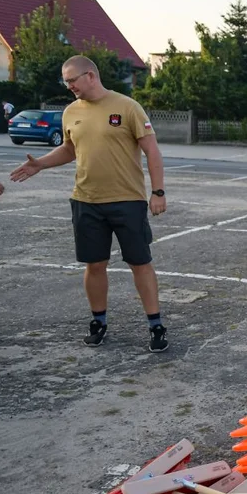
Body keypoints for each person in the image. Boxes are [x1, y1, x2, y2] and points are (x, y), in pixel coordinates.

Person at [10, 55, 169, 352]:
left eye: (72, 80)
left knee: (140, 263)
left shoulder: (127, 107)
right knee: (94, 264)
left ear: (91, 76)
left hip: (127, 200)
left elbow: (152, 151)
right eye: (66, 81)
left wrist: (158, 192)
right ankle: (99, 322)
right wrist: (40, 164)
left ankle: (155, 325)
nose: (69, 85)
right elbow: (69, 149)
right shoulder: (71, 112)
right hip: (86, 201)